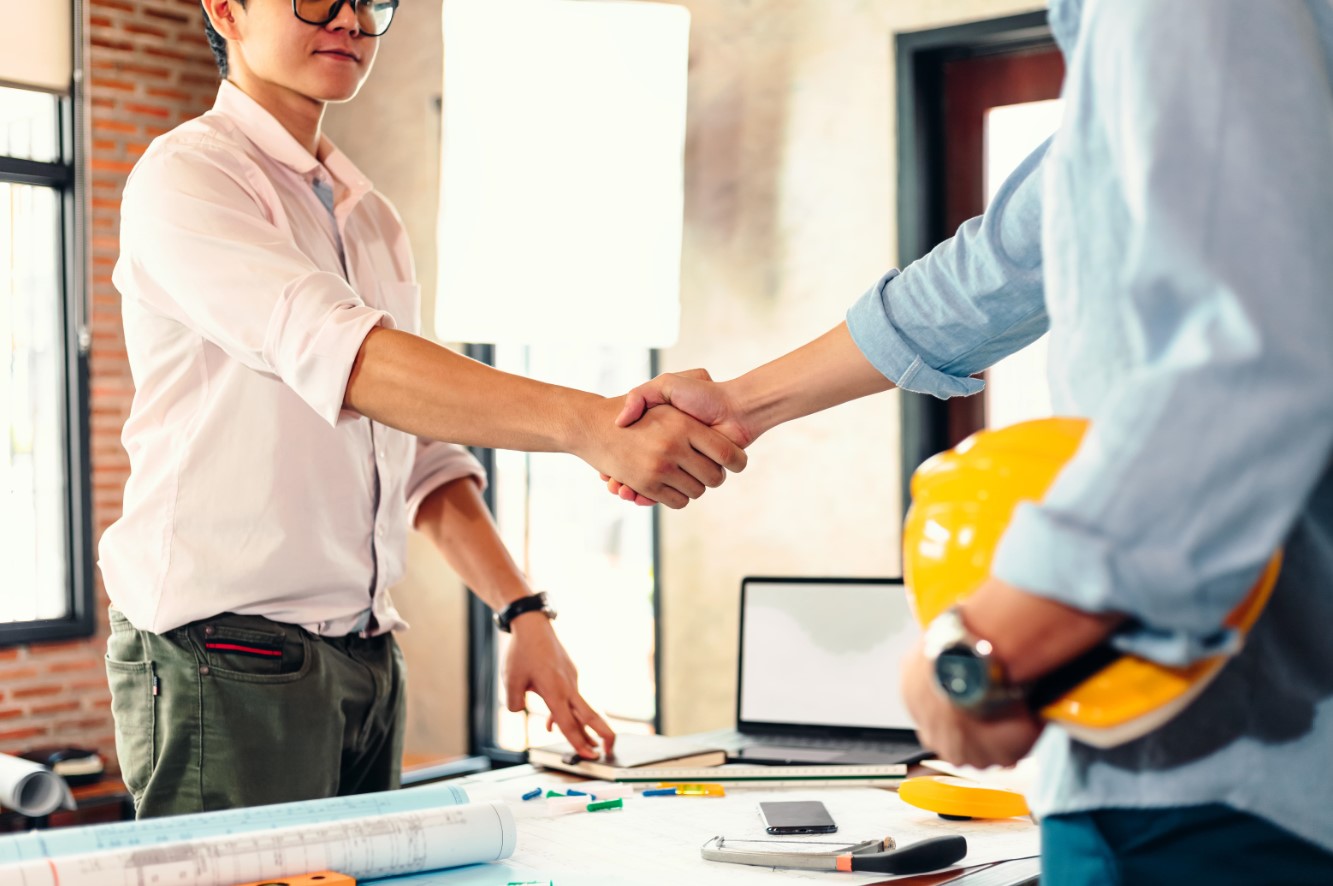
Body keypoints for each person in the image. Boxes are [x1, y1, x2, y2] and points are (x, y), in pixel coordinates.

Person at [611, 0, 1333, 881]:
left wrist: (985, 650)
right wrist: (737, 404)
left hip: (1232, 764)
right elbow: (996, 268)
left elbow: (1240, 361)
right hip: (1158, 761)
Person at [100, 0, 745, 818]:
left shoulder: (370, 214)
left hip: (367, 658)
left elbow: (421, 451)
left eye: (367, 0)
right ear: (225, 9)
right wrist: (590, 426)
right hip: (227, 656)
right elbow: (353, 359)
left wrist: (523, 611)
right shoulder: (188, 175)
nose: (346, 20)